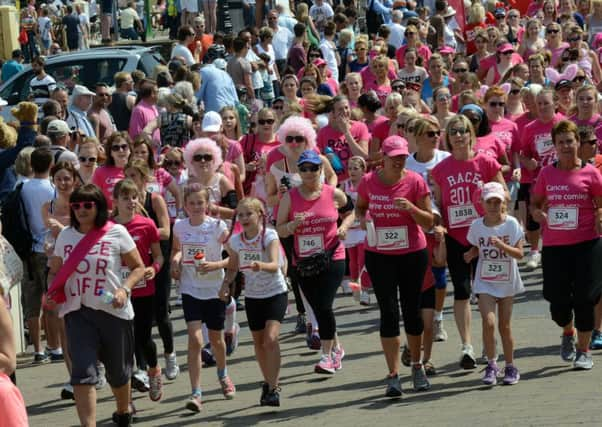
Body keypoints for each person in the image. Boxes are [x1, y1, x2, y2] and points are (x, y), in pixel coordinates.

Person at [46, 184, 145, 426]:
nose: (81, 209)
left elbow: (139, 267)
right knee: (82, 374)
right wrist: (50, 292)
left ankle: (123, 412)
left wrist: (125, 288)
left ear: (99, 206)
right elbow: (54, 272)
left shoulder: (116, 232)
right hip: (77, 313)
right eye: (76, 205)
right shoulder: (66, 236)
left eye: (87, 205)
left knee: (119, 373)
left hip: (113, 311)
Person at [355, 135, 434, 396]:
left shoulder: (415, 181)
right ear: (383, 158)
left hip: (412, 253)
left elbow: (428, 222)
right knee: (388, 313)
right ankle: (392, 374)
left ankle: (417, 365)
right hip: (380, 255)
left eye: (403, 156)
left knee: (412, 311)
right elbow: (360, 208)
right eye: (394, 157)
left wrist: (411, 208)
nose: (399, 161)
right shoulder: (368, 182)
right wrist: (364, 219)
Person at [431, 115, 506, 370]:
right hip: (456, 238)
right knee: (462, 291)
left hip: (486, 237)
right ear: (448, 137)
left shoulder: (485, 161)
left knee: (487, 291)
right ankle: (467, 346)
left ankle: (489, 340)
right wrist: (438, 224)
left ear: (471, 134)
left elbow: (504, 192)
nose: (459, 135)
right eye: (454, 131)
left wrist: (490, 201)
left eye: (463, 131)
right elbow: (439, 205)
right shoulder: (441, 169)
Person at [529, 120, 602, 371]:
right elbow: (536, 203)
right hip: (555, 246)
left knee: (585, 298)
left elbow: (600, 202)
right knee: (557, 301)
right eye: (561, 143)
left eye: (570, 141)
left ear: (578, 143)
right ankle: (567, 331)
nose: (566, 146)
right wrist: (537, 213)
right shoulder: (547, 173)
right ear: (555, 147)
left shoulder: (591, 173)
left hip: (587, 244)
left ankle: (583, 351)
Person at [276, 150, 352, 375]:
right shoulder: (290, 197)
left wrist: (344, 227)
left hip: (332, 255)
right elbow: (279, 227)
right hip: (304, 261)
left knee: (324, 305)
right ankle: (337, 348)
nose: (309, 172)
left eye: (313, 168)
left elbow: (350, 212)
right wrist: (292, 226)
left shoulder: (332, 193)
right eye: (304, 168)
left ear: (321, 170)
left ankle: (327, 356)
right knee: (319, 307)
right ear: (299, 171)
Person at [171, 184, 235, 412]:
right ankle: (196, 392)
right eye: (192, 203)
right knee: (195, 340)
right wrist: (176, 261)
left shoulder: (217, 226)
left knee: (216, 341)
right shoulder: (179, 226)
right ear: (185, 205)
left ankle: (223, 374)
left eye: (200, 203)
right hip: (190, 289)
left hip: (214, 289)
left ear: (207, 204)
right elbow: (177, 249)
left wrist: (215, 265)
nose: (196, 207)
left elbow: (234, 257)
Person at [223, 197, 288, 406]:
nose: (244, 218)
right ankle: (267, 383)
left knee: (270, 339)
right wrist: (225, 285)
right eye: (240, 215)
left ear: (260, 214)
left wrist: (260, 265)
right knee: (259, 343)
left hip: (275, 292)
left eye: (248, 214)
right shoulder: (235, 241)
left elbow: (275, 264)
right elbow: (233, 267)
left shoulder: (269, 235)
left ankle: (274, 385)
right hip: (253, 296)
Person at [464, 182, 524, 385]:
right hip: (485, 282)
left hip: (507, 281)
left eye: (496, 202)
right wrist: (470, 254)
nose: (492, 206)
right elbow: (474, 247)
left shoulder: (512, 224)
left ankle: (510, 366)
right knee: (488, 322)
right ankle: (491, 365)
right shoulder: (476, 226)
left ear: (503, 203)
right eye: (489, 201)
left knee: (504, 326)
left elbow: (520, 254)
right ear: (482, 203)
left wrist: (502, 245)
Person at [112, 179, 164, 402]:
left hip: (143, 290)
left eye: (134, 197)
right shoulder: (108, 227)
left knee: (143, 339)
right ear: (115, 201)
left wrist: (154, 268)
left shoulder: (147, 224)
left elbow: (158, 255)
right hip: (118, 292)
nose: (131, 202)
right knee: (123, 343)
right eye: (125, 198)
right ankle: (128, 398)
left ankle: (153, 370)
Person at [92, 132, 132, 209]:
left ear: (130, 150)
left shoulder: (137, 170)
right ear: (110, 152)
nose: (120, 150)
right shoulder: (100, 172)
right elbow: (95, 199)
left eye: (124, 147)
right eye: (116, 148)